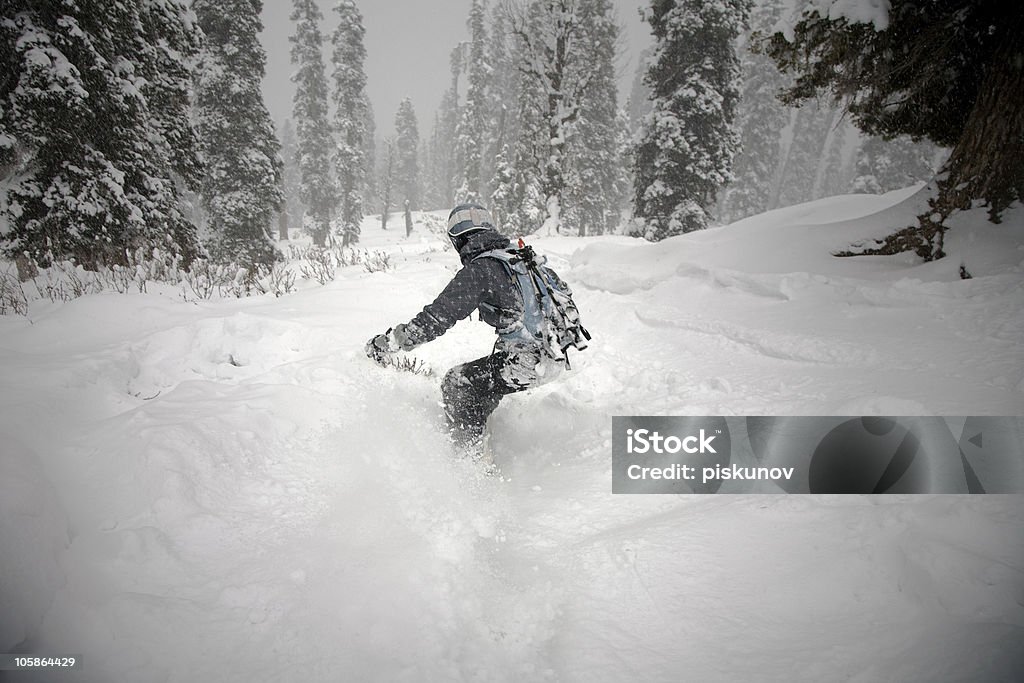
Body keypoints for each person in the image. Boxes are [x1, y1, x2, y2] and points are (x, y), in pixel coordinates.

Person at [365, 203, 558, 459]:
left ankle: (469, 464)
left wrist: (388, 344)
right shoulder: (523, 259)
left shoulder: (482, 269)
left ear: (459, 239)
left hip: (528, 363)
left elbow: (436, 317)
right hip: (556, 356)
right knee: (480, 387)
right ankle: (484, 438)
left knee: (459, 383)